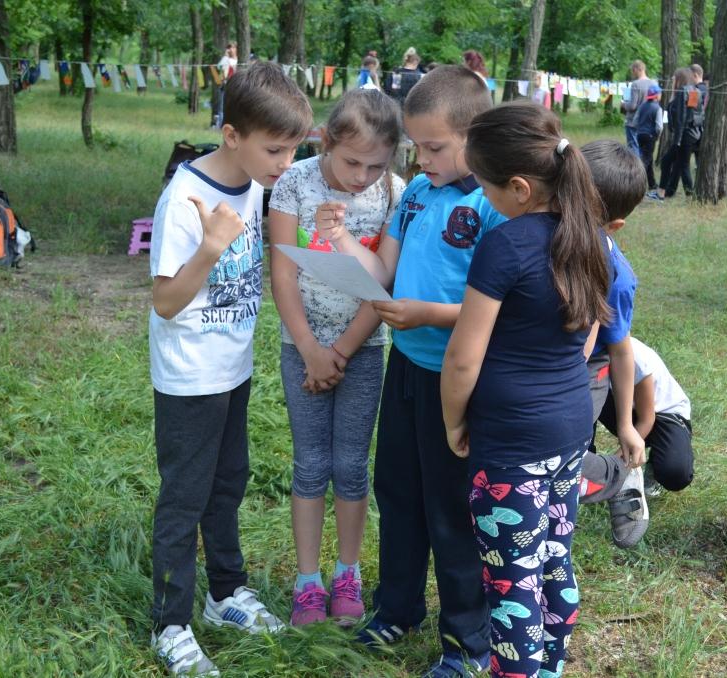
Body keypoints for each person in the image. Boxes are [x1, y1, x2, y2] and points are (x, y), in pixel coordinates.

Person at [317, 65, 503, 677]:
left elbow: (497, 310)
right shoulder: (418, 192)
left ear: (475, 136)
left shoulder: (494, 204)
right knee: (397, 493)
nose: (421, 160)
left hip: (459, 378)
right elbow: (384, 275)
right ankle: (397, 608)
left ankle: (467, 643)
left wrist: (427, 313)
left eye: (434, 147)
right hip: (406, 368)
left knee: (452, 509)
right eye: (416, 147)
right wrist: (342, 241)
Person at [148, 62, 312, 677]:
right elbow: (165, 301)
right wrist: (212, 246)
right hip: (190, 377)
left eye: (293, 149)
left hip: (231, 369)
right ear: (231, 135)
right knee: (184, 499)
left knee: (229, 482)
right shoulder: (185, 198)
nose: (285, 163)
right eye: (275, 150)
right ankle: (170, 625)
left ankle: (224, 594)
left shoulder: (253, 182)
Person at [441, 101, 611, 678]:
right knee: (555, 558)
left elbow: (463, 358)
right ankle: (551, 667)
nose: (482, 196)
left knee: (512, 582)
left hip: (511, 441)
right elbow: (590, 334)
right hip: (569, 426)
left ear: (518, 188)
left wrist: (454, 421)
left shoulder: (505, 245)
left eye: (484, 186)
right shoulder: (591, 237)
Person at [267, 88, 406, 626]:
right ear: (325, 140)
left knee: (351, 465)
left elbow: (383, 285)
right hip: (300, 349)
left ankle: (348, 573)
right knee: (310, 465)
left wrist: (341, 351)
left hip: (362, 352)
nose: (362, 176)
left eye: (376, 165)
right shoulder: (294, 182)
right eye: (352, 162)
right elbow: (283, 273)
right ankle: (308, 581)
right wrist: (310, 350)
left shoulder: (395, 193)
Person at [577, 140, 649, 550]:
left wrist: (624, 425)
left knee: (560, 462)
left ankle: (616, 478)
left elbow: (621, 352)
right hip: (551, 359)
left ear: (613, 225)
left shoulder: (617, 278)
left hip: (591, 367)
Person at [594, 337, 693, 508]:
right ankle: (581, 469)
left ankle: (654, 465)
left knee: (675, 472)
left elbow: (647, 420)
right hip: (620, 405)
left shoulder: (634, 357)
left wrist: (614, 467)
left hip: (662, 414)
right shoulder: (582, 350)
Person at [656, 68, 699, 200]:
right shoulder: (694, 90)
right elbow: (692, 114)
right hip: (692, 134)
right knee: (679, 164)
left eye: (674, 78)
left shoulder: (682, 91)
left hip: (684, 135)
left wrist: (677, 141)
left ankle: (666, 193)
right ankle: (671, 193)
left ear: (680, 78)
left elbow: (682, 117)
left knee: (674, 163)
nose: (673, 80)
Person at [621, 60, 656, 158]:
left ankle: (636, 166)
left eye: (633, 70)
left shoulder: (636, 84)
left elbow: (632, 106)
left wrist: (623, 105)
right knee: (643, 149)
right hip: (648, 122)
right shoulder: (653, 83)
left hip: (633, 121)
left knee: (634, 147)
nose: (633, 73)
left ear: (637, 69)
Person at [632, 84, 663, 192]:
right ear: (656, 95)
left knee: (648, 158)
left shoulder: (642, 106)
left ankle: (652, 183)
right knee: (646, 160)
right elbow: (659, 127)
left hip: (640, 135)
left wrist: (640, 129)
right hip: (650, 136)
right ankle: (636, 184)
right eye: (660, 93)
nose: (661, 95)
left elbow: (635, 121)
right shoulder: (658, 108)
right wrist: (657, 136)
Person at [213, 42, 238, 128]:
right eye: (229, 48)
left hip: (236, 86)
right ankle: (221, 126)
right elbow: (219, 67)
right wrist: (226, 56)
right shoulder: (226, 59)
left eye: (233, 47)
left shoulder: (239, 60)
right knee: (222, 107)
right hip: (226, 85)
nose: (231, 50)